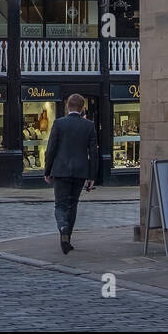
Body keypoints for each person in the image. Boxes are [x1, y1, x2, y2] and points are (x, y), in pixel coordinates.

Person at [43, 93, 100, 255]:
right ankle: (68, 238)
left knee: (60, 205)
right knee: (73, 204)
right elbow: (93, 153)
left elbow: (51, 149)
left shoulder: (59, 124)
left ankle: (63, 228)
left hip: (61, 170)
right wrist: (92, 176)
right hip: (80, 171)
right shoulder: (89, 125)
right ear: (82, 108)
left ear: (68, 106)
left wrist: (47, 170)